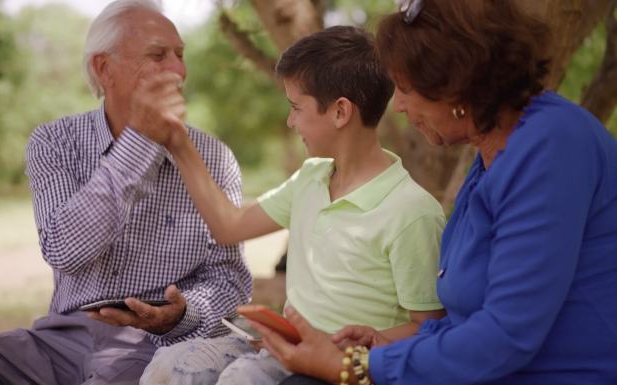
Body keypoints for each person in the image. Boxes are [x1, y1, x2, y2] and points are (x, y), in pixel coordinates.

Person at [251, 1, 617, 385]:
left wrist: (356, 368)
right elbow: (464, 321)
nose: (399, 106)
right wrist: (383, 344)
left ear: (454, 84)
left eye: (406, 89)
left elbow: (506, 336)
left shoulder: (551, 146)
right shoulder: (492, 161)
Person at [0, 0, 252, 384]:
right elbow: (64, 250)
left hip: (156, 348)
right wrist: (139, 142)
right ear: (104, 69)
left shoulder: (213, 158)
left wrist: (182, 317)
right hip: (59, 339)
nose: (178, 70)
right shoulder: (55, 141)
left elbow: (230, 280)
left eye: (180, 55)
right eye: (158, 55)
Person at [137, 25, 446, 385]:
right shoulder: (311, 178)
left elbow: (431, 330)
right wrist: (178, 143)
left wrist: (363, 347)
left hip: (342, 368)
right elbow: (229, 226)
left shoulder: (411, 212)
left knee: (241, 380)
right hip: (281, 351)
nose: (290, 120)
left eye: (297, 108)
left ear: (340, 112)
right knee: (168, 366)